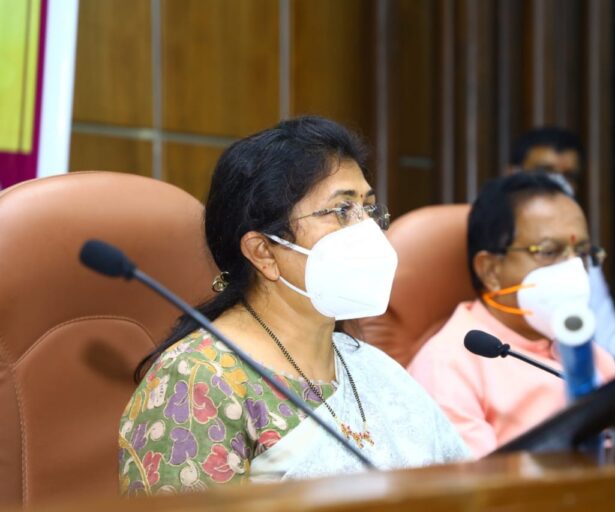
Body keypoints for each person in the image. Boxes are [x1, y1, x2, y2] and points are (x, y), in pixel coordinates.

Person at [118, 116, 469, 495]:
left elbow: (467, 494)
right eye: (340, 210)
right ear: (263, 251)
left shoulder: (371, 368)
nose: (367, 228)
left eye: (368, 208)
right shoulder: (198, 382)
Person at [408, 173, 615, 458]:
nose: (574, 270)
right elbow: (482, 492)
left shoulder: (589, 353)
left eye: (581, 253)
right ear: (491, 270)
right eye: (549, 251)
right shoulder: (447, 365)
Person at [507, 127, 615, 351]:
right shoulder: (489, 237)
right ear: (513, 173)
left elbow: (609, 343)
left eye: (569, 176)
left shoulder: (580, 254)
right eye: (544, 171)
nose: (558, 184)